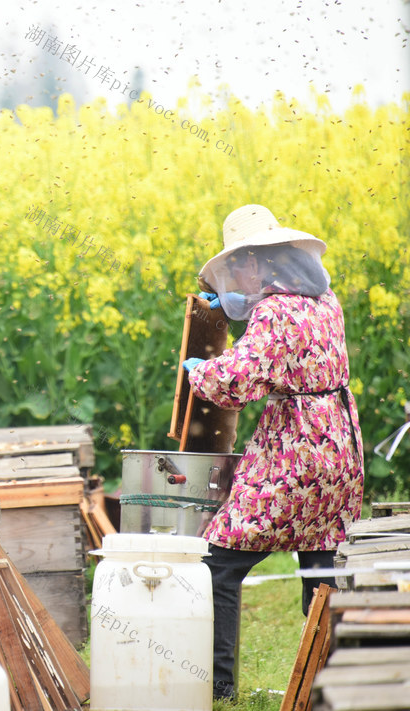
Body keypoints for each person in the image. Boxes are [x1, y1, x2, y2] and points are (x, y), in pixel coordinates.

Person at [182, 204, 364, 700]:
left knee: (219, 561)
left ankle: (218, 688)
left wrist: (198, 370)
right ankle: (334, 684)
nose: (236, 272)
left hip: (297, 448)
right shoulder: (326, 299)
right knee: (322, 563)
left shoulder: (274, 311)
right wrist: (227, 307)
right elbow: (274, 331)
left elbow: (237, 381)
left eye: (240, 263)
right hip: (339, 443)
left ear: (261, 261)